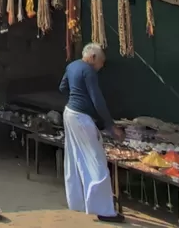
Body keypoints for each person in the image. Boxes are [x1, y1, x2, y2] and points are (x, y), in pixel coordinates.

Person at [59, 42, 123, 224]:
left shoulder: (71, 66)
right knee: (97, 161)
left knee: (74, 158)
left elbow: (62, 88)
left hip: (69, 113)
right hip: (80, 117)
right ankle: (105, 210)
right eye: (101, 62)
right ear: (92, 57)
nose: (100, 67)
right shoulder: (88, 71)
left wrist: (77, 94)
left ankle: (78, 201)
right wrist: (110, 125)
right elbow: (97, 99)